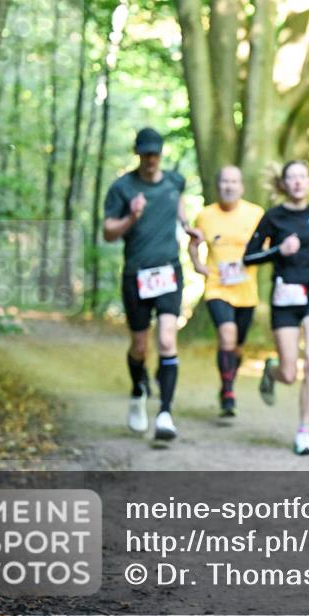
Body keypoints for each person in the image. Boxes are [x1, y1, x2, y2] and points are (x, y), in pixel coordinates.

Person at [103, 127, 202, 442]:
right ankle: (137, 392)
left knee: (168, 341)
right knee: (140, 346)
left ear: (161, 154)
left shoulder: (174, 181)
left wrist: (188, 228)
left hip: (169, 272)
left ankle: (165, 414)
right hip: (136, 274)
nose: (150, 159)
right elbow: (108, 232)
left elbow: (179, 209)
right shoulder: (122, 188)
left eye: (155, 154)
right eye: (145, 154)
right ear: (138, 154)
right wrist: (131, 218)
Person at [243, 161, 309, 455]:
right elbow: (249, 257)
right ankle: (272, 371)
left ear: (308, 182)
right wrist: (278, 250)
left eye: (301, 177)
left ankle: (304, 431)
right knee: (290, 373)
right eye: (290, 177)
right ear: (284, 184)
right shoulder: (273, 217)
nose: (296, 182)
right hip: (284, 301)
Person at [188, 165, 265, 421]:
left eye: (234, 182)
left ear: (241, 187)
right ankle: (230, 392)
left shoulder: (256, 214)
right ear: (218, 186)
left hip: (246, 290)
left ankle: (225, 383)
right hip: (217, 287)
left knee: (238, 347)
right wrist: (198, 266)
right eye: (224, 182)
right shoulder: (205, 215)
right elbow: (194, 243)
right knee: (227, 335)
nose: (229, 186)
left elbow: (267, 246)